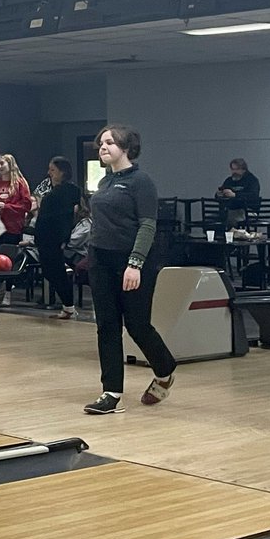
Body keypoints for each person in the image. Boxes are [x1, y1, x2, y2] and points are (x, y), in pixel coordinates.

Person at [83, 125, 177, 415]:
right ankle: (111, 393)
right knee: (107, 326)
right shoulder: (105, 183)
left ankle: (165, 368)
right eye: (101, 143)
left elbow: (147, 224)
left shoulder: (141, 182)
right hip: (101, 260)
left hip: (131, 263)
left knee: (137, 325)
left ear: (126, 148)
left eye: (110, 142)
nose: (103, 147)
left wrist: (134, 263)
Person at [34, 156, 82, 320]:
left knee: (53, 272)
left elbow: (59, 219)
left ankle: (68, 307)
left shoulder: (57, 195)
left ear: (62, 173)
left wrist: (62, 238)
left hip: (51, 238)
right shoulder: (68, 192)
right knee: (52, 272)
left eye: (53, 170)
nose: (49, 173)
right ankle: (68, 306)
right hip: (53, 238)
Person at [0, 154, 31, 305]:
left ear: (10, 164)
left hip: (12, 227)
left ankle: (8, 293)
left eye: (2, 163)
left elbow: (26, 205)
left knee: (8, 260)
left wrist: (7, 207)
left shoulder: (19, 184)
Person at [215, 158, 261, 226]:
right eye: (233, 169)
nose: (234, 172)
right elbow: (221, 191)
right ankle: (218, 236)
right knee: (211, 219)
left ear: (244, 169)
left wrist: (235, 195)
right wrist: (219, 194)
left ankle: (231, 235)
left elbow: (253, 196)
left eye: (237, 169)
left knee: (230, 218)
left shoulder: (252, 180)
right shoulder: (229, 181)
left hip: (247, 210)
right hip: (229, 210)